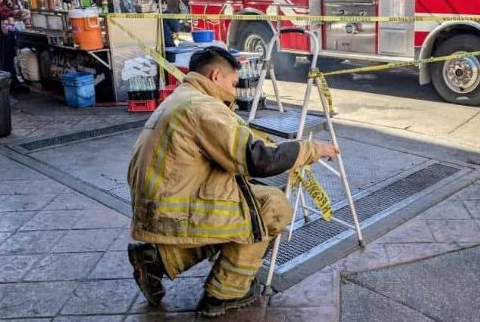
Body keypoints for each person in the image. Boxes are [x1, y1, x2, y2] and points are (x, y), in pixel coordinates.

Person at [126, 46, 339, 318]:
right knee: (271, 207)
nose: (235, 91)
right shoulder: (202, 108)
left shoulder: (183, 98)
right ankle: (224, 293)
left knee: (244, 207)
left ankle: (155, 262)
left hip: (160, 206)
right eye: (233, 83)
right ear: (216, 76)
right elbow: (257, 160)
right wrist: (311, 149)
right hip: (173, 211)